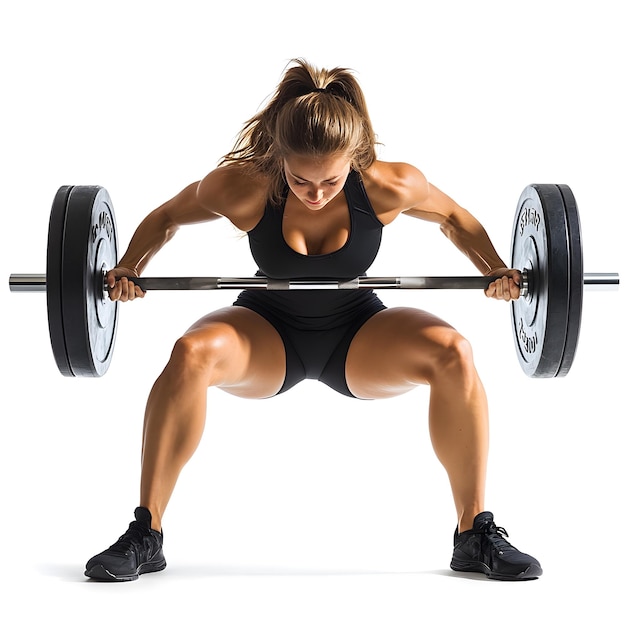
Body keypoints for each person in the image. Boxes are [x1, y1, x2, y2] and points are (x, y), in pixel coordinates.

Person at [85, 58, 542, 582]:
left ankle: (474, 534)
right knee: (191, 353)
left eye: (330, 180)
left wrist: (497, 271)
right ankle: (147, 532)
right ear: (280, 158)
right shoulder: (244, 187)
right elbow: (168, 216)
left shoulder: (390, 186)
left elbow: (455, 220)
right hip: (266, 332)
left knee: (453, 351)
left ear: (354, 158)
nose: (316, 193)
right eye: (300, 179)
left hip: (359, 334)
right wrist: (127, 268)